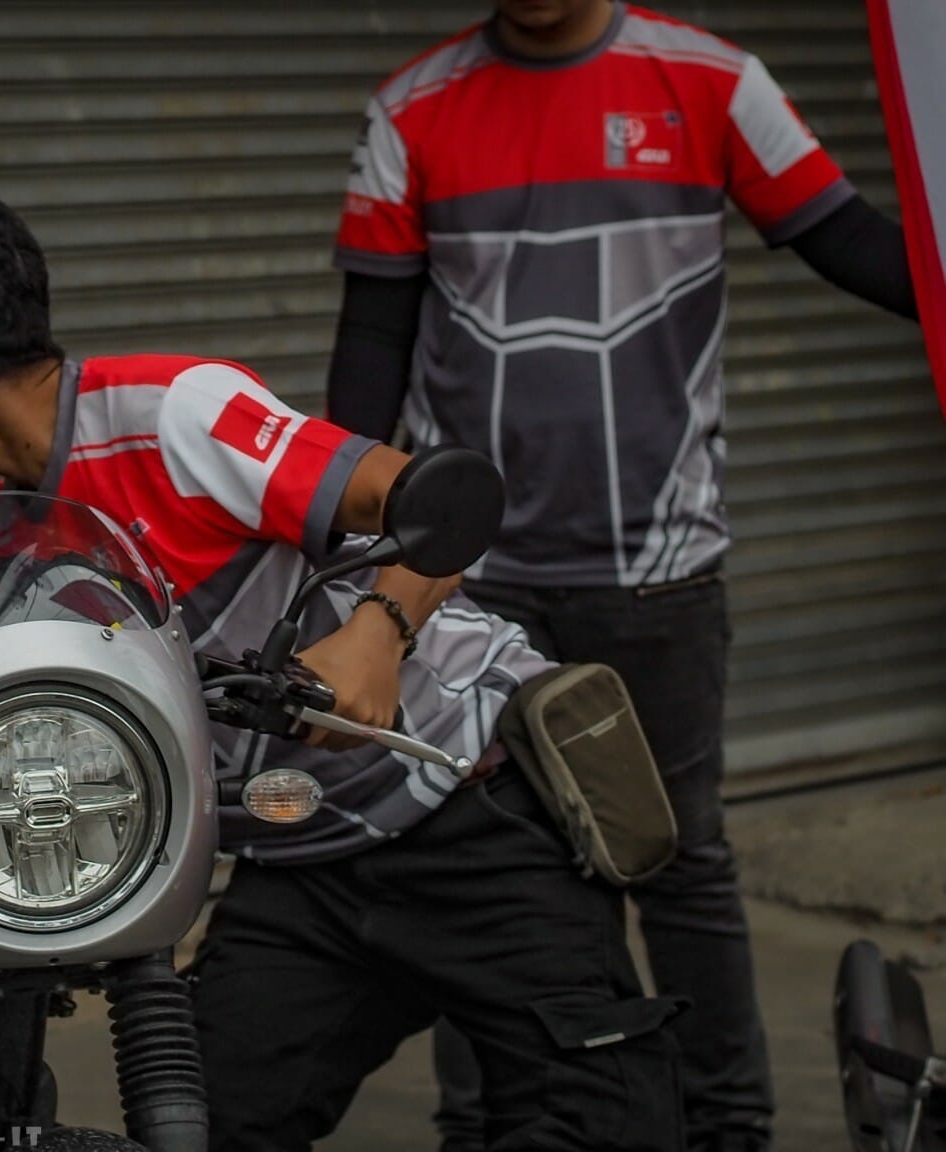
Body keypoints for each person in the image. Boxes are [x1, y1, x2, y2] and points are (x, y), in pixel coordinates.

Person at [0, 172, 686, 1152]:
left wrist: (373, 636)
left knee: (602, 1128)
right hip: (300, 863)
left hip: (468, 810)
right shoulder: (8, 543)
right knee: (205, 1127)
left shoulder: (173, 414)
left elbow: (443, 504)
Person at [323, 3, 919, 1149]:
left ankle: (722, 1127)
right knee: (479, 866)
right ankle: (492, 1124)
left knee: (680, 860)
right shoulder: (412, 108)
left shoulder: (712, 83)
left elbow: (848, 240)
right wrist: (360, 551)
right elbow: (370, 346)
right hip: (465, 581)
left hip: (657, 569)